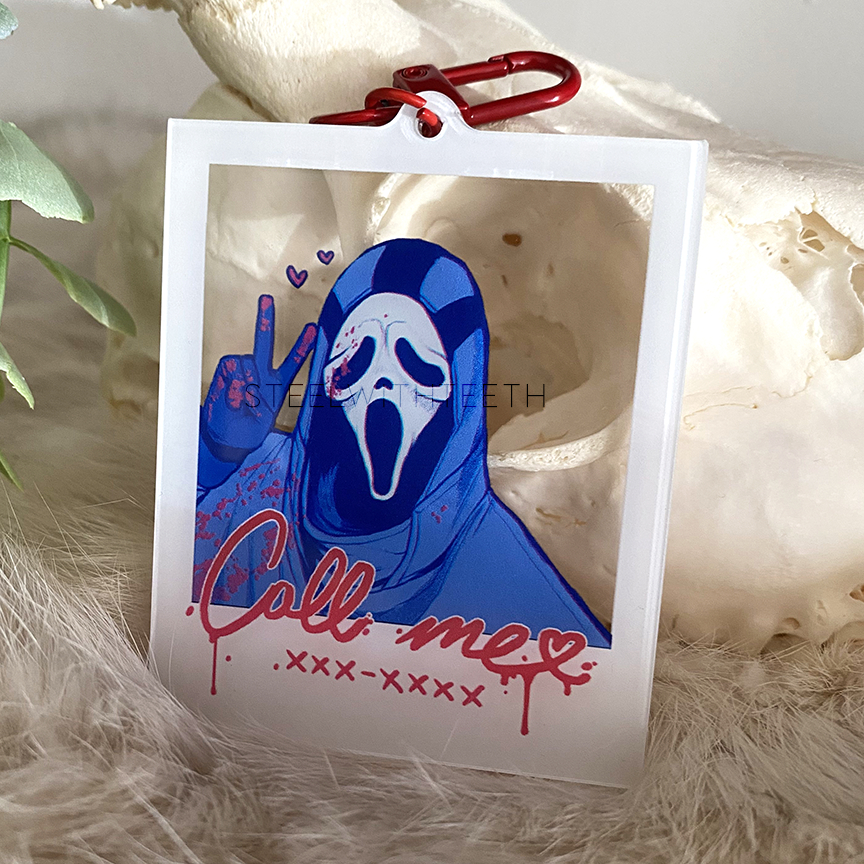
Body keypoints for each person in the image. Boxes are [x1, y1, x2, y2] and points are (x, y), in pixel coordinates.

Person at [194, 238, 611, 647]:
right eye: (355, 363)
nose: (382, 382)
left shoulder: (505, 574)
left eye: (418, 366)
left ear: (459, 398)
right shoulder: (259, 480)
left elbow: (585, 676)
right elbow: (178, 549)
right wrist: (216, 451)